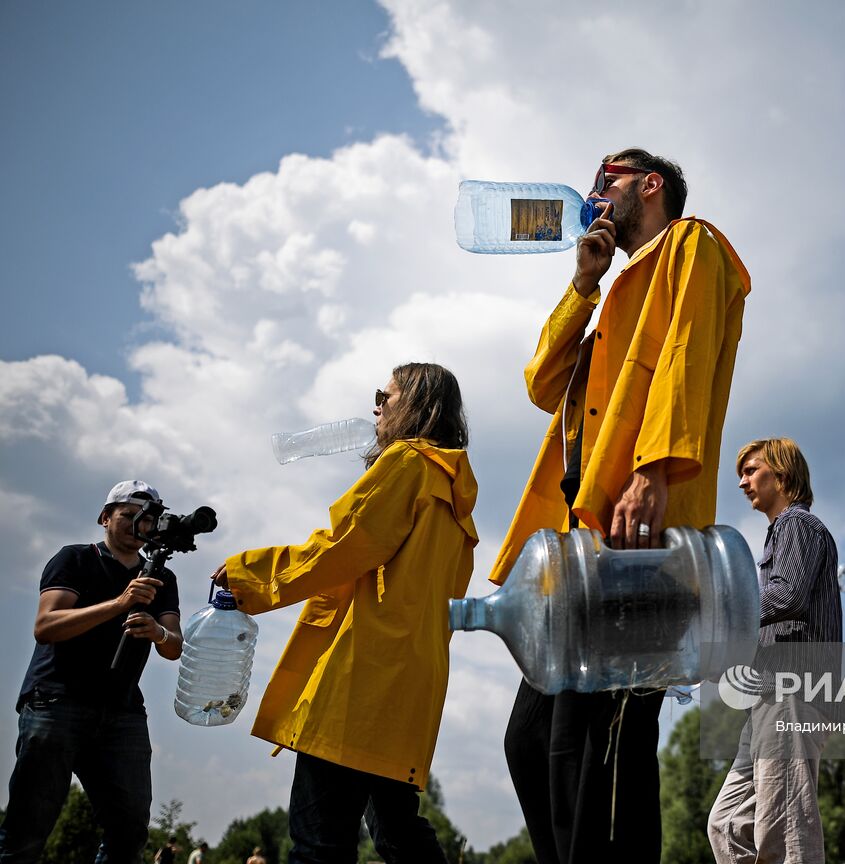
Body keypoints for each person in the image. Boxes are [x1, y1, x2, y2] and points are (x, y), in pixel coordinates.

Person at [496, 148, 750, 864]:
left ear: (651, 184)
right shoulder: (613, 296)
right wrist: (583, 284)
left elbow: (688, 353)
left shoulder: (692, 243)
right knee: (531, 742)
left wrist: (654, 471)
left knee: (598, 750)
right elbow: (544, 385)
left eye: (607, 177)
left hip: (640, 535)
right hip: (581, 546)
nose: (594, 190)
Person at [214, 363, 479, 864]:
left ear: (417, 405)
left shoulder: (406, 464)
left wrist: (249, 574)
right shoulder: (457, 496)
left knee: (320, 842)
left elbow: (342, 548)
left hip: (361, 682)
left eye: (386, 394)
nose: (376, 404)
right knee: (399, 833)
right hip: (411, 689)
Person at [0, 480, 182, 863]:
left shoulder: (162, 577)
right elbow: (46, 625)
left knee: (130, 827)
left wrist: (158, 631)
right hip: (56, 701)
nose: (137, 526)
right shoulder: (76, 558)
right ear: (104, 517)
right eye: (128, 516)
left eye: (145, 520)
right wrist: (120, 602)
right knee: (28, 826)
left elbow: (174, 646)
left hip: (122, 712)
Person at [708, 438, 842, 864]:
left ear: (781, 475)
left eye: (751, 470)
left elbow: (787, 596)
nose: (743, 482)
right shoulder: (781, 533)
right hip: (767, 699)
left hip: (791, 695)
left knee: (784, 836)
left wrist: (722, 616)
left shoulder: (796, 526)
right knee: (727, 824)